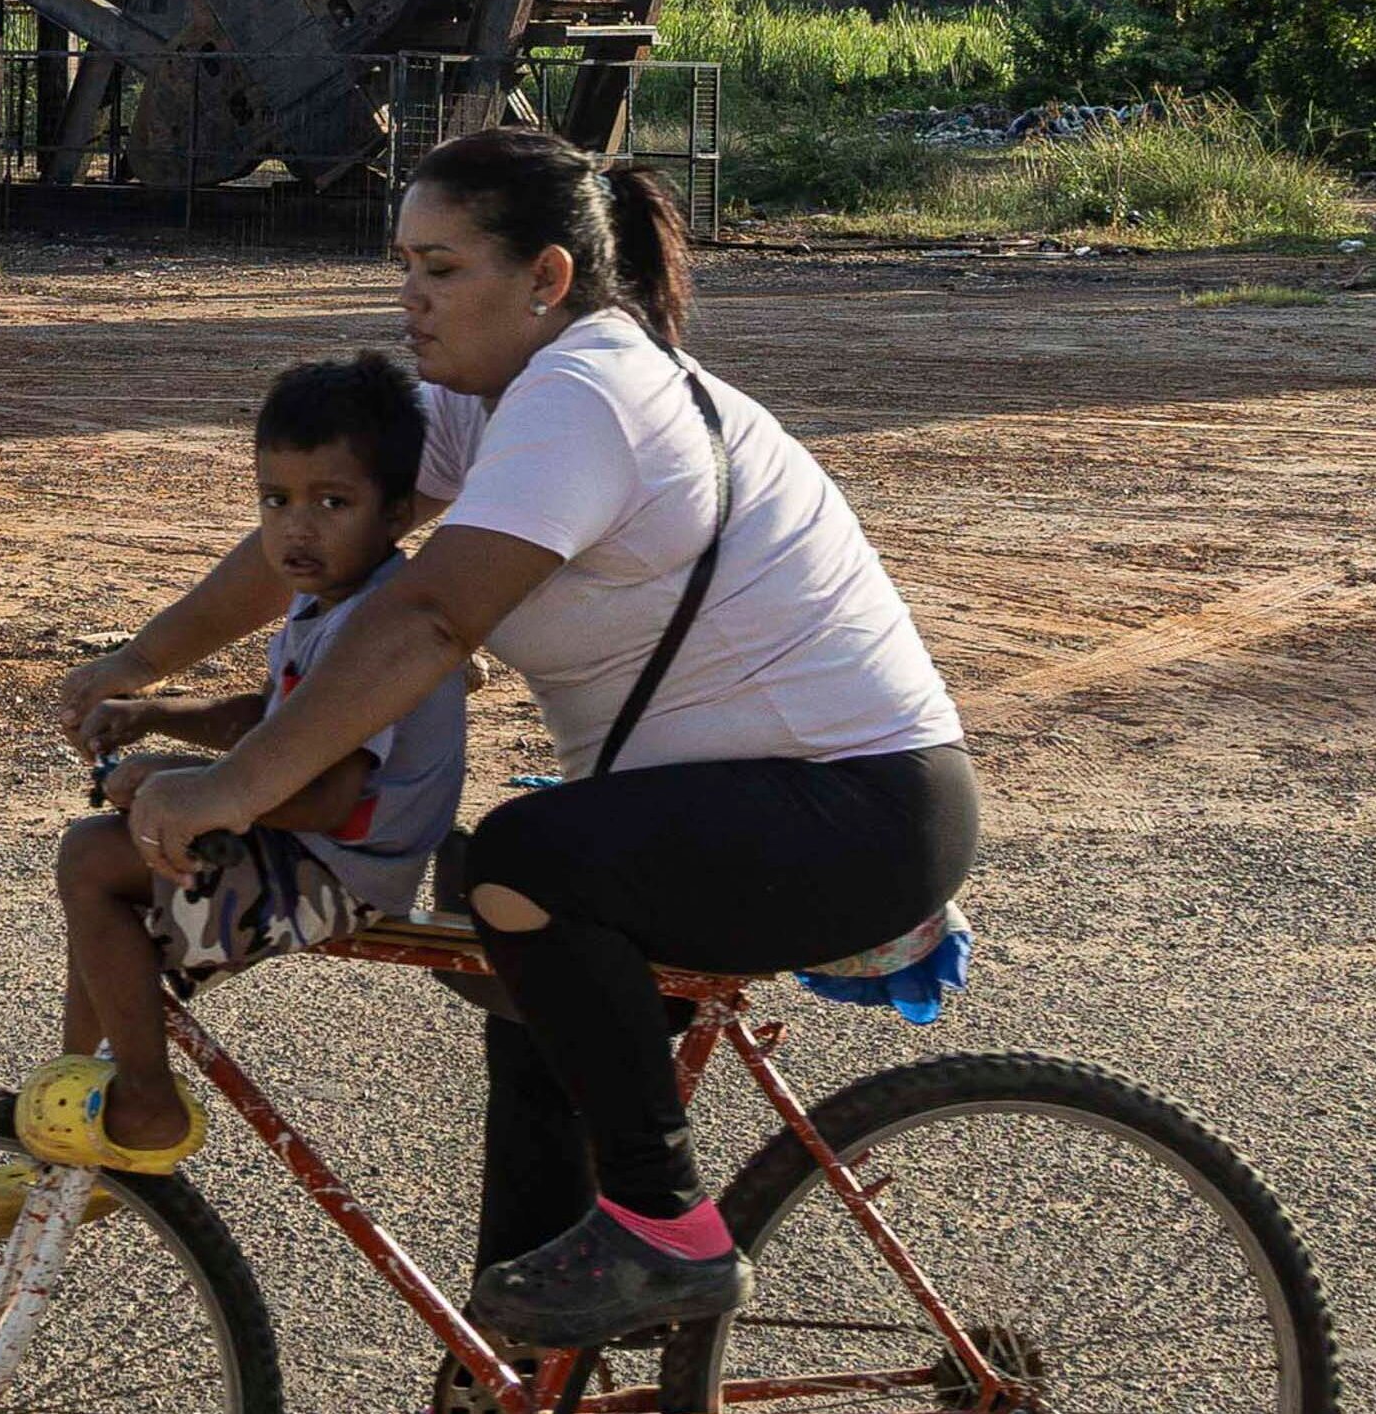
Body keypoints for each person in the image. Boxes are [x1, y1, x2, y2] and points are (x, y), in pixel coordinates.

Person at [57, 128, 972, 1354]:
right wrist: (141, 661)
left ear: (544, 278)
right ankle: (528, 1350)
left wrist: (232, 783)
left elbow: (432, 612)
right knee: (509, 937)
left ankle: (662, 1223)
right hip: (754, 806)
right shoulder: (492, 404)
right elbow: (326, 537)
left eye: (439, 268)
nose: (408, 298)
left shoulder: (585, 391)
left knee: (521, 863)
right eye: (401, 264)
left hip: (849, 810)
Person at [0, 352, 472, 1227]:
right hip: (316, 847)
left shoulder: (384, 624)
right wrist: (157, 714)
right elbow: (273, 723)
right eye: (275, 500)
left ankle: (141, 1104)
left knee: (95, 862)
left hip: (342, 868)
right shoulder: (333, 598)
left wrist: (183, 782)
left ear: (399, 512)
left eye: (332, 502)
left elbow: (324, 796)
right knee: (107, 864)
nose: (298, 530)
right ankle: (83, 1101)